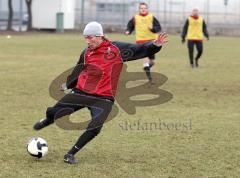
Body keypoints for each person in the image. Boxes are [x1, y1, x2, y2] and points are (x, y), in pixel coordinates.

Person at [33, 21, 168, 164]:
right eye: (85, 37)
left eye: (90, 37)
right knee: (54, 112)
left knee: (95, 127)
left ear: (100, 36)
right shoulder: (85, 53)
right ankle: (48, 120)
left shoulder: (116, 49)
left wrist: (155, 45)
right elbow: (78, 70)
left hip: (104, 97)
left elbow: (139, 49)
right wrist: (68, 84)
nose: (87, 41)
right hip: (82, 92)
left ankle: (70, 154)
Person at [125, 2, 161, 82]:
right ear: (139, 9)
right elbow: (130, 25)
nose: (143, 9)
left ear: (147, 9)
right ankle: (150, 79)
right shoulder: (135, 17)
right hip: (141, 41)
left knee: (152, 61)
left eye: (144, 8)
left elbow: (158, 28)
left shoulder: (151, 17)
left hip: (151, 41)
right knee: (145, 58)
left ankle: (147, 67)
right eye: (141, 8)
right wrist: (128, 31)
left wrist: (152, 28)